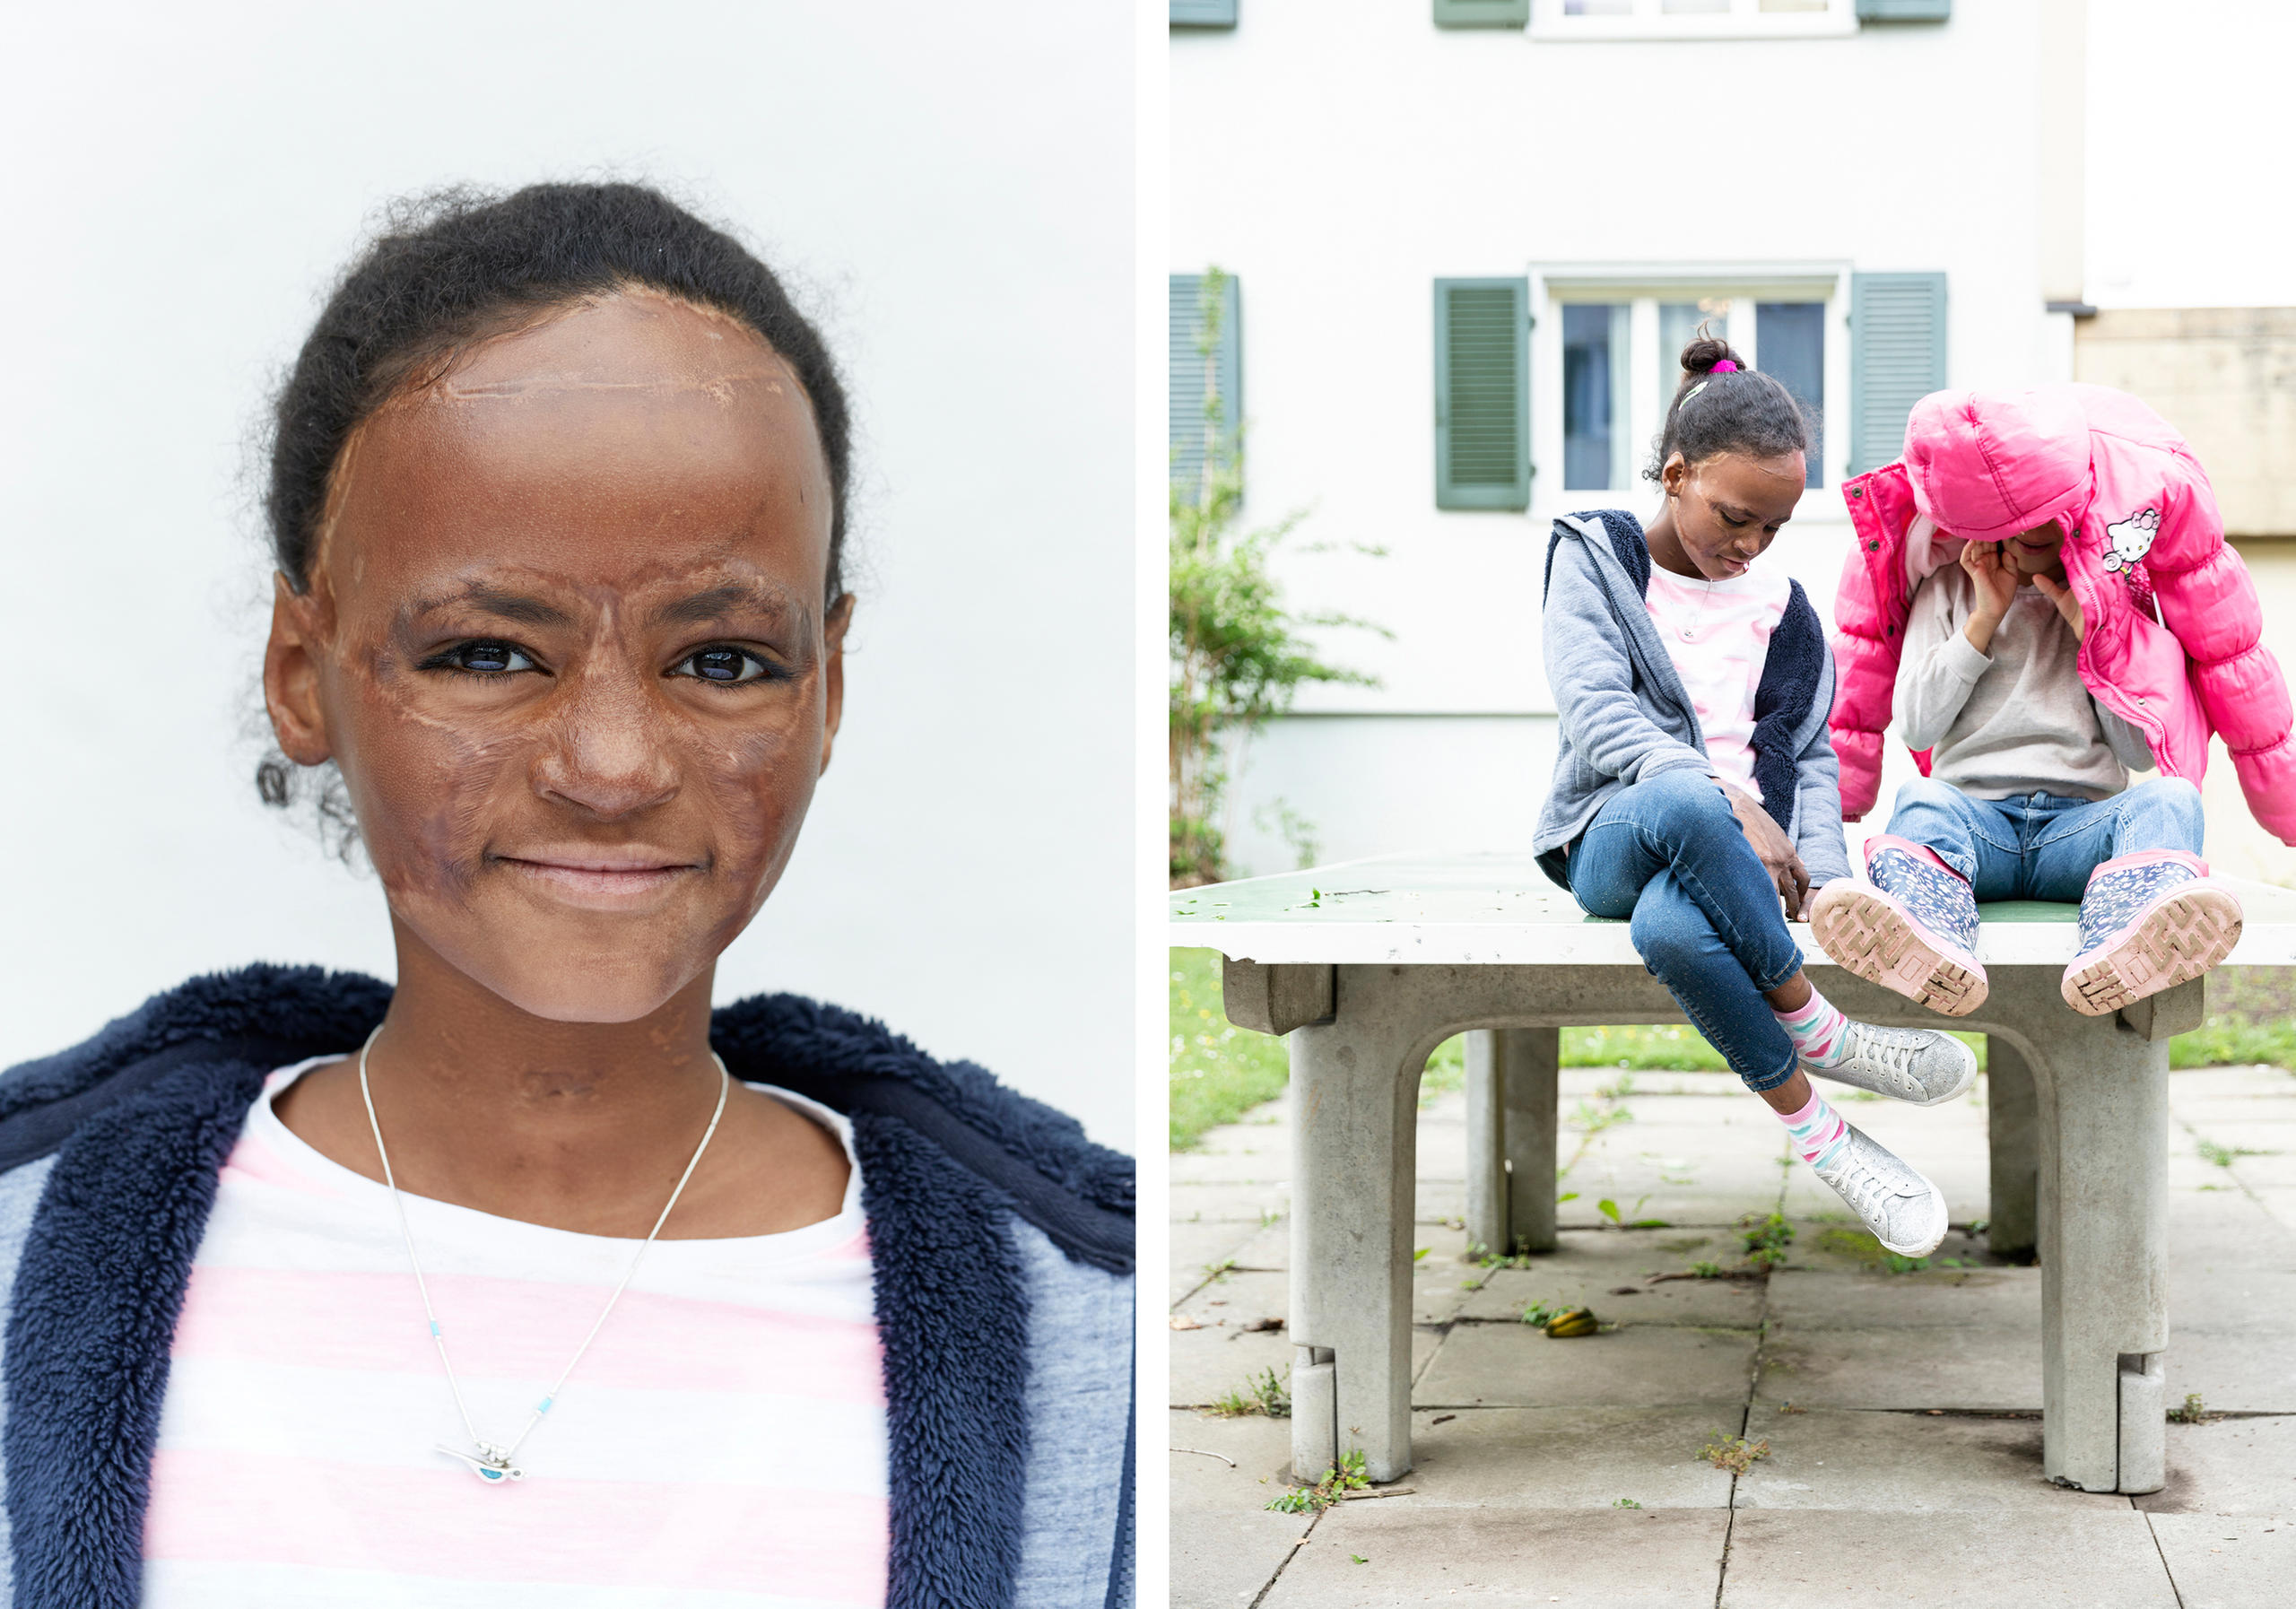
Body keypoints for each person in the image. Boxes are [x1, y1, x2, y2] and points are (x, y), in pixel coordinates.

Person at [0, 184, 1133, 1609]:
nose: (612, 764)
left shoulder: (1093, 1331)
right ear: (305, 667)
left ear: (827, 686)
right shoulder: (26, 1247)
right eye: (487, 653)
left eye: (722, 660)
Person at [1535, 335, 1977, 1262]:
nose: (1749, 544)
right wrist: (1732, 803)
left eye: (1772, 528)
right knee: (1696, 807)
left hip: (1733, 870)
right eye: (1735, 517)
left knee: (1673, 934)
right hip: (1615, 833)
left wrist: (1825, 880)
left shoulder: (1784, 607)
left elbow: (1810, 758)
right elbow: (1594, 713)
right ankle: (1820, 1026)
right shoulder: (1595, 558)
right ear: (1675, 473)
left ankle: (1828, 1143)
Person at [1818, 384, 2292, 1016]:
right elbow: (1917, 723)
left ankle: (2125, 941)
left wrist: (2097, 638)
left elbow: (2137, 752)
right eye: (2008, 522)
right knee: (1921, 801)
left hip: (2081, 829)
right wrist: (1982, 622)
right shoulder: (1946, 589)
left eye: (2043, 514)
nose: (2028, 530)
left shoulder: (2113, 596)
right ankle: (1931, 939)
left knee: (2172, 800)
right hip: (1975, 825)